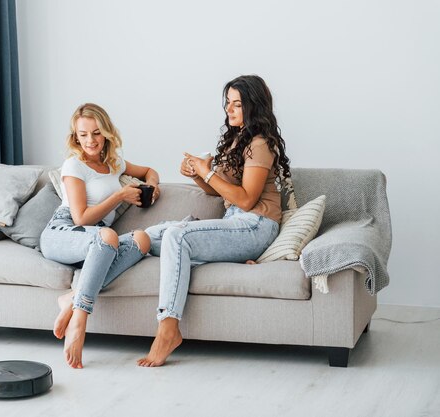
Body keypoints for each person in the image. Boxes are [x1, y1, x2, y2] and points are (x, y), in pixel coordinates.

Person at [137, 75, 291, 367]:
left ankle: (168, 328)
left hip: (255, 225)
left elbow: (246, 200)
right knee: (148, 235)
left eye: (237, 105)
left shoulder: (260, 144)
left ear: (253, 107)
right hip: (236, 222)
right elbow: (219, 192)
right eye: (227, 104)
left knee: (177, 236)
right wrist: (198, 173)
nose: (229, 111)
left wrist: (207, 173)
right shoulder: (238, 139)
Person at [40, 103, 160, 369]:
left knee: (142, 239)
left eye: (96, 133)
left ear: (106, 133)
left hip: (98, 240)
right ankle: (80, 320)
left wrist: (152, 186)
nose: (90, 141)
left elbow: (148, 171)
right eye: (83, 135)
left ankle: (71, 298)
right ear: (75, 137)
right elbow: (81, 217)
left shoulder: (114, 163)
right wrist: (119, 195)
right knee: (107, 236)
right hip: (63, 232)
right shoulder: (74, 165)